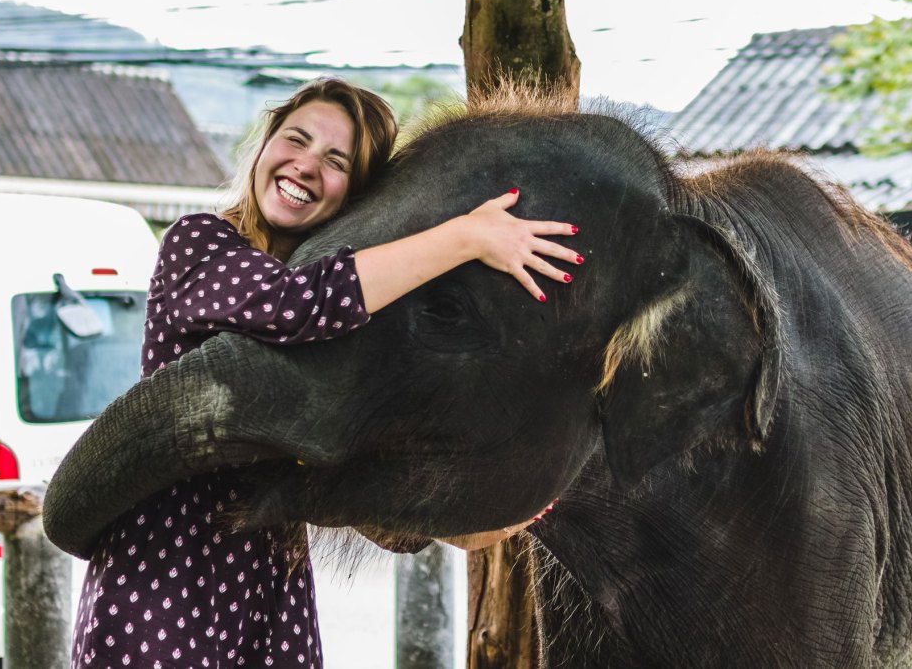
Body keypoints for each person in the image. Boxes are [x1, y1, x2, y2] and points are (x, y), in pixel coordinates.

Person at [70, 78, 581, 668]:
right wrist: (465, 237)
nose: (306, 165)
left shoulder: (349, 327)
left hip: (270, 591)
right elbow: (296, 303)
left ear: (354, 198)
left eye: (336, 160)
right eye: (296, 139)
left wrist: (497, 503)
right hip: (161, 580)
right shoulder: (199, 243)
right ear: (263, 147)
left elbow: (369, 459)